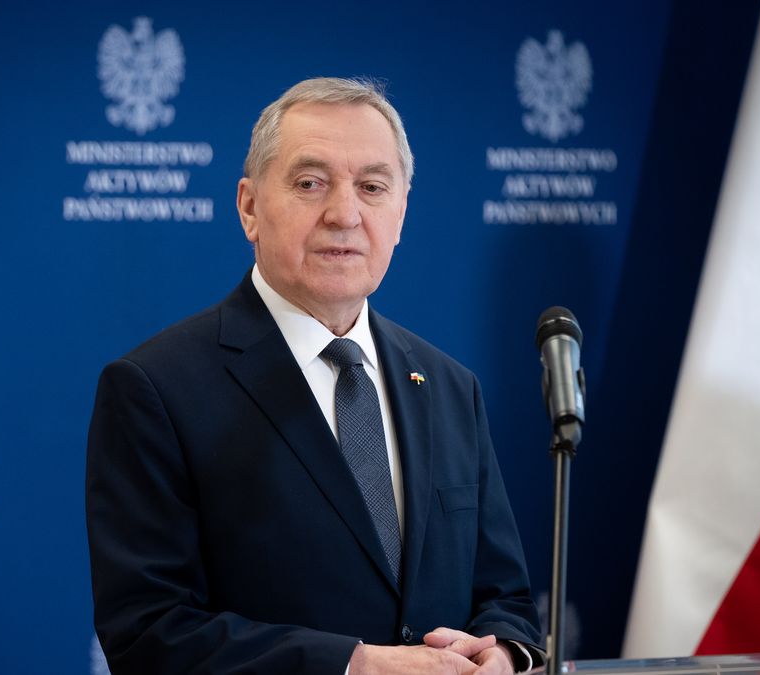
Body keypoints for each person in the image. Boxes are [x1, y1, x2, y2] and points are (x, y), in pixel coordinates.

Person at [86, 77, 543, 674]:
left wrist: (505, 651)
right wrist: (354, 666)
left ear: (401, 213)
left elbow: (504, 598)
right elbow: (149, 632)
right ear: (250, 207)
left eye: (373, 187)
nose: (344, 214)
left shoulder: (450, 387)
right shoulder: (156, 388)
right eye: (310, 184)